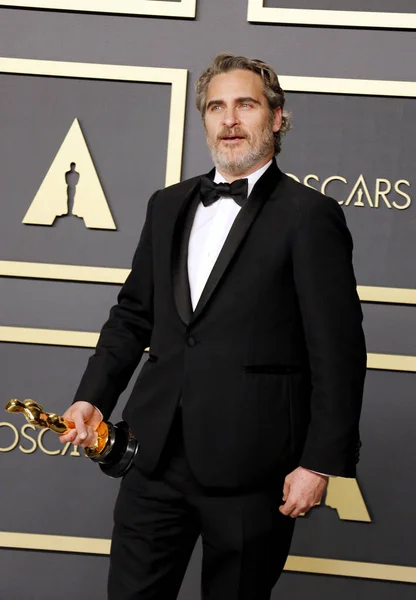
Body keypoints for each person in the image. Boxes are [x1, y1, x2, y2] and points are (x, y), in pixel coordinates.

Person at [59, 53, 367, 600]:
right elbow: (132, 316)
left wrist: (318, 462)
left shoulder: (309, 215)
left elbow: (338, 352)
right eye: (216, 106)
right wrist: (93, 398)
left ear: (276, 118)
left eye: (245, 104)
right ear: (203, 119)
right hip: (152, 456)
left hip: (255, 467)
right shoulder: (167, 205)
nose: (229, 119)